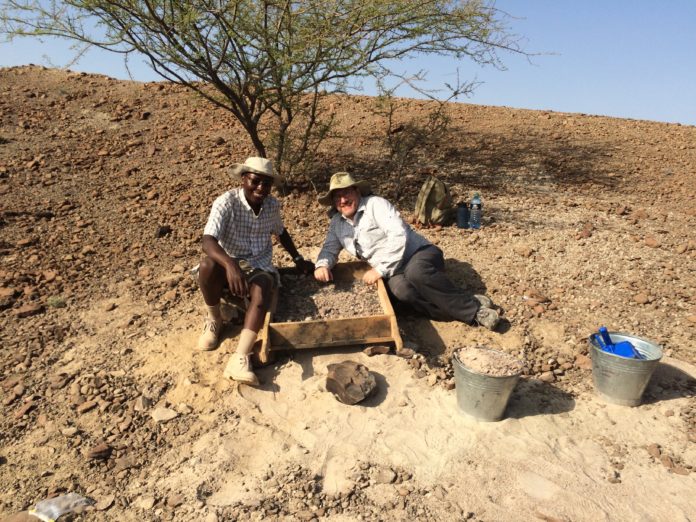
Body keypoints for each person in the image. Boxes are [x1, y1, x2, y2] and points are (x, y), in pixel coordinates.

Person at [313, 172, 499, 330]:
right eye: (337, 197)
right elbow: (329, 249)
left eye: (346, 193)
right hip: (393, 269)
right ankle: (467, 303)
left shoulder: (375, 205)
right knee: (403, 293)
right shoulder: (337, 223)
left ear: (357, 191)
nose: (343, 200)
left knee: (417, 273)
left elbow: (398, 235)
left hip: (417, 253)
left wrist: (380, 269)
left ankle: (475, 313)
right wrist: (322, 265)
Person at [197, 156, 314, 385]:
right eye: (255, 181)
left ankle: (240, 357)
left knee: (263, 288)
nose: (261, 188)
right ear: (244, 179)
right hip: (228, 262)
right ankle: (214, 319)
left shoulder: (271, 206)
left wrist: (298, 258)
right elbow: (208, 241)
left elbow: (280, 232)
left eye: (266, 183)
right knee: (206, 265)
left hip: (259, 264)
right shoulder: (226, 202)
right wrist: (230, 264)